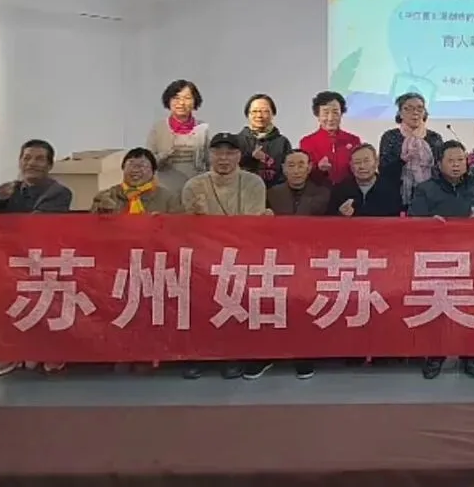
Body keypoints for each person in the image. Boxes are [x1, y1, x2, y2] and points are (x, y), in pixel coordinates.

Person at [179, 133, 269, 381]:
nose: (224, 158)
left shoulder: (253, 183)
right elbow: (188, 229)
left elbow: (251, 225)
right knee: (199, 301)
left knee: (236, 300)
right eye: (218, 152)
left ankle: (232, 354)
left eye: (230, 153)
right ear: (209, 155)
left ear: (239, 156)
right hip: (203, 256)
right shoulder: (194, 185)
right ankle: (198, 355)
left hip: (242, 255)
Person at [0, 139, 72, 378]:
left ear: (50, 165)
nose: (32, 163)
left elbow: (36, 225)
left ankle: (50, 351)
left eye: (39, 159)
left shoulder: (59, 192)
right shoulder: (7, 190)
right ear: (20, 161)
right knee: (5, 302)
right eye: (27, 158)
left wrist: (4, 224)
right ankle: (11, 352)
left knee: (47, 303)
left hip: (46, 260)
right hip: (12, 261)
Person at [409, 141, 474, 379]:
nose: (456, 165)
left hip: (471, 258)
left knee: (470, 307)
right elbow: (413, 221)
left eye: (460, 160)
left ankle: (470, 355)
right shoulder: (425, 189)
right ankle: (436, 355)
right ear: (439, 163)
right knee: (439, 308)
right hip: (438, 259)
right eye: (451, 160)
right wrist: (429, 224)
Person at [378, 92, 443, 210]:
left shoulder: (434, 138)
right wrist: (402, 160)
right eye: (409, 109)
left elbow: (440, 169)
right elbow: (383, 170)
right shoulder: (390, 136)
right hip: (396, 197)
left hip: (430, 197)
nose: (415, 112)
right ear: (400, 113)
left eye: (420, 108)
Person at [146, 79, 211, 195]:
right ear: (168, 101)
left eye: (187, 98)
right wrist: (164, 156)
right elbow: (147, 162)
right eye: (176, 98)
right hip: (165, 192)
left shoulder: (203, 128)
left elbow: (210, 162)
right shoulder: (158, 128)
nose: (181, 103)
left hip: (197, 191)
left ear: (195, 101)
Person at [298, 90, 362, 187]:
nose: (331, 118)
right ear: (318, 115)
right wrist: (319, 169)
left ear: (341, 114)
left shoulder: (354, 140)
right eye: (325, 113)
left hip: (349, 192)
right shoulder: (307, 142)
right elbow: (303, 174)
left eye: (335, 112)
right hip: (318, 193)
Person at [91, 147, 182, 214]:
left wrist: (162, 222)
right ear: (123, 168)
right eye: (131, 164)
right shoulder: (108, 196)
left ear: (153, 171)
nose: (136, 169)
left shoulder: (168, 198)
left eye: (142, 165)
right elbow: (94, 227)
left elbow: (178, 228)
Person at [327, 144, 402, 217]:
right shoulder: (340, 190)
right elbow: (329, 218)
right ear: (351, 166)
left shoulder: (391, 189)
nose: (362, 166)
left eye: (366, 161)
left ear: (376, 162)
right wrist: (340, 214)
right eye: (357, 162)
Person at [237, 94, 292, 189]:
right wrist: (250, 157)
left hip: (275, 194)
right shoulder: (237, 141)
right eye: (254, 111)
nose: (259, 115)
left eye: (265, 111)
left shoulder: (282, 142)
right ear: (247, 115)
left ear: (273, 114)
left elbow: (287, 172)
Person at [267, 150, 331, 216]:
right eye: (291, 166)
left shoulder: (323, 194)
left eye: (301, 166)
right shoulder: (271, 194)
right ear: (284, 168)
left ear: (309, 167)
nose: (296, 171)